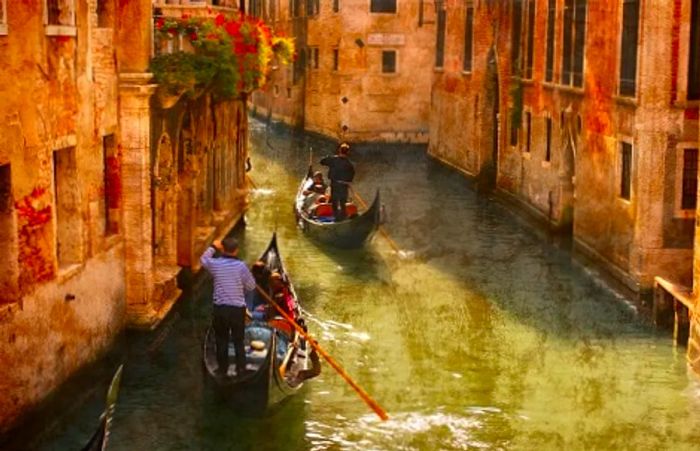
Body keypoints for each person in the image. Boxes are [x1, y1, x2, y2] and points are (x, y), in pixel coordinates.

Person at [200, 237, 256, 377]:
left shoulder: (215, 264)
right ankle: (241, 369)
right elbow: (251, 286)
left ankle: (222, 369)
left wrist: (213, 246)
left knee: (221, 339)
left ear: (223, 249)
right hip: (237, 309)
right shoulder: (241, 266)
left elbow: (203, 259)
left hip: (220, 309)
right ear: (236, 250)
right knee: (238, 339)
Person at [320, 142, 355, 221]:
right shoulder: (349, 164)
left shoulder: (333, 159)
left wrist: (329, 157)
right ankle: (342, 218)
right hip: (344, 186)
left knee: (334, 202)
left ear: (339, 150)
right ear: (348, 152)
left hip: (335, 184)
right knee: (343, 202)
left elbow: (322, 161)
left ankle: (337, 218)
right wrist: (348, 181)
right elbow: (351, 175)